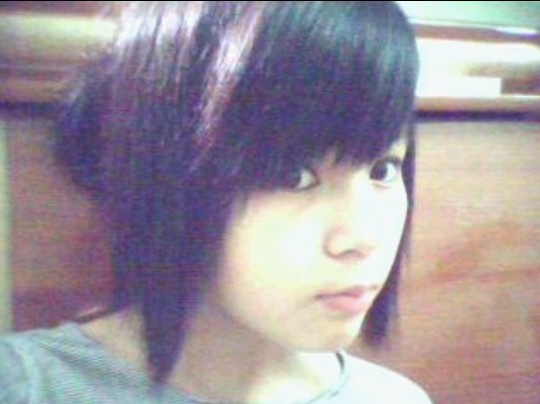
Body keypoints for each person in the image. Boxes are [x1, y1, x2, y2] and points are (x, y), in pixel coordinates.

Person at [0, 1, 431, 402]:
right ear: (169, 171)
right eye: (293, 176)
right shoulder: (27, 385)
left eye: (383, 170)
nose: (364, 239)